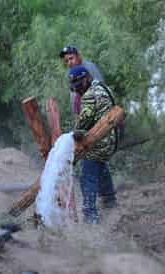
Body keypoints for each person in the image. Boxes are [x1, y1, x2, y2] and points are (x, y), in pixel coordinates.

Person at [69, 65, 118, 224]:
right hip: (110, 139)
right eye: (74, 87)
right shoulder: (103, 88)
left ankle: (90, 216)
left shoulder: (89, 95)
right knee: (101, 167)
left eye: (79, 86)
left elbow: (84, 120)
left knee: (87, 176)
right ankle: (110, 203)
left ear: (86, 78)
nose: (77, 90)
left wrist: (74, 134)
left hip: (99, 141)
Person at [59, 45, 104, 119]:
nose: (69, 62)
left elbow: (101, 91)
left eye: (71, 58)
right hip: (83, 117)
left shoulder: (89, 68)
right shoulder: (71, 73)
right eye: (66, 61)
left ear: (79, 56)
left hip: (98, 116)